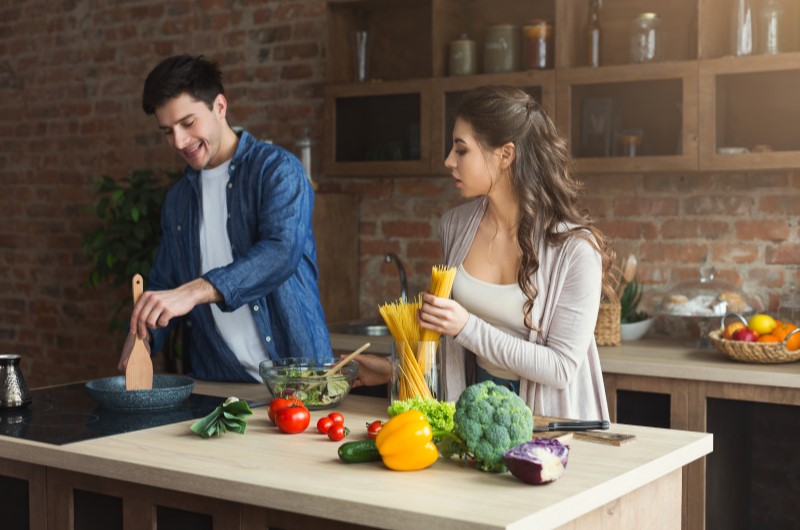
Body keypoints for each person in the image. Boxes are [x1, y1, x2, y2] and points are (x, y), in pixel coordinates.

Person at [355, 85, 613, 420]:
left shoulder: (574, 250)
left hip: (551, 422)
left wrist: (465, 325)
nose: (449, 160)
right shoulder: (456, 226)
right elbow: (455, 348)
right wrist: (397, 369)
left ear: (505, 155)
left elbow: (560, 368)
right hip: (474, 412)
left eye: (461, 150)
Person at [117, 54, 331, 382]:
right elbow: (165, 283)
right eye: (167, 131)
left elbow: (280, 252)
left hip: (301, 383)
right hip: (219, 387)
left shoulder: (278, 170)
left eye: (188, 124)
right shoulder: (178, 201)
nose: (179, 141)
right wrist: (142, 338)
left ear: (219, 107)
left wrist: (196, 291)